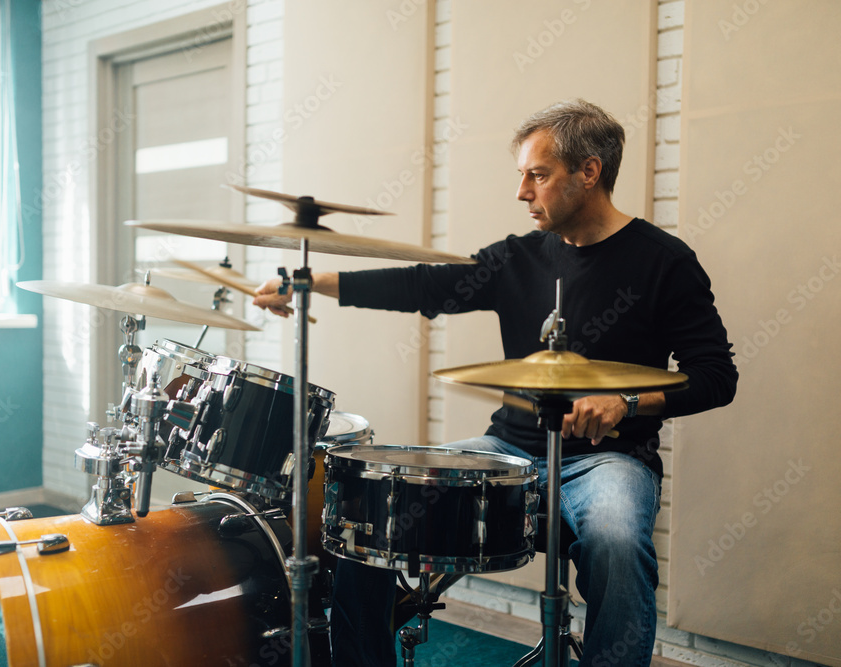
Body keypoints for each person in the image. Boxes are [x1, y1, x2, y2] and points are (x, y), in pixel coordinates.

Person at [252, 99, 737, 667]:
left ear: (589, 171)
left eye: (538, 175)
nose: (523, 192)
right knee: (371, 505)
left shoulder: (665, 262)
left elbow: (716, 376)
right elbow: (425, 286)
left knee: (618, 543)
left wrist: (627, 402)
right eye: (522, 177)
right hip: (507, 450)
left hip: (610, 459)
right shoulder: (518, 258)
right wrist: (309, 282)